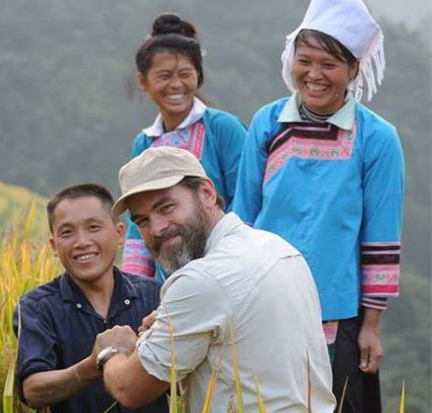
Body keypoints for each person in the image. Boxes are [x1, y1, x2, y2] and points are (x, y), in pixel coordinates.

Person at [231, 1, 405, 411]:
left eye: (328, 64)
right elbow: (242, 218)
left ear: (353, 69)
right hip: (264, 306)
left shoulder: (377, 139)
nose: (313, 74)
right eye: (304, 60)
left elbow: (381, 237)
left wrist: (372, 325)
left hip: (338, 315)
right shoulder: (268, 123)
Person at [90, 146, 336, 412]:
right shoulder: (281, 249)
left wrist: (112, 351)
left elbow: (130, 388)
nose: (157, 228)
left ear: (206, 193)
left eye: (166, 207)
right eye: (143, 220)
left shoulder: (201, 279)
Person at [13, 184, 168, 413]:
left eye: (93, 227)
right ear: (54, 246)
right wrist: (97, 361)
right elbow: (33, 391)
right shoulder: (36, 307)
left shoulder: (153, 294)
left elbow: (181, 377)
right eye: (67, 232)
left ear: (119, 233)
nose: (82, 241)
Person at [122, 13, 248, 283]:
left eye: (185, 74)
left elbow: (246, 200)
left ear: (198, 76)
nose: (176, 85)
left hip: (226, 274)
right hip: (166, 284)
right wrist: (134, 288)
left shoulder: (222, 129)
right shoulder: (144, 144)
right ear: (143, 81)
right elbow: (137, 225)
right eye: (164, 76)